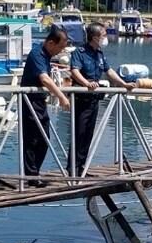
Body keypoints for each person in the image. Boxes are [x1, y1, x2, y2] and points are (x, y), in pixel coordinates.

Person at [67, 22, 132, 175]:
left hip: (94, 99)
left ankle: (82, 167)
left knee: (88, 134)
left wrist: (123, 84)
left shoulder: (100, 53)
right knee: (79, 133)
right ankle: (72, 168)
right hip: (81, 99)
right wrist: (86, 83)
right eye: (103, 35)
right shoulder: (80, 52)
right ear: (95, 37)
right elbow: (74, 71)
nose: (105, 38)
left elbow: (108, 71)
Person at [19, 25, 71, 183]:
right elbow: (45, 79)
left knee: (44, 138)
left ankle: (35, 173)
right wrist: (61, 96)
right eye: (60, 47)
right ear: (50, 43)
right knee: (32, 138)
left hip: (39, 101)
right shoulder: (37, 54)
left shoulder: (47, 56)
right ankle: (31, 176)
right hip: (30, 101)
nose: (61, 51)